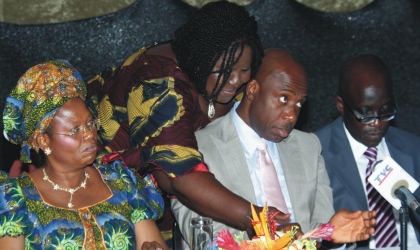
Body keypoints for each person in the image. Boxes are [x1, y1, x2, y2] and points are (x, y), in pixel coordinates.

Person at [86, 0, 268, 240]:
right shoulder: (160, 85)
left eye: (244, 70)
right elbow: (178, 177)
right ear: (200, 57)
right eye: (224, 71)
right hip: (111, 193)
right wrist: (253, 217)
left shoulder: (223, 72)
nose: (235, 81)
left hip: (183, 199)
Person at [172, 48, 376, 248]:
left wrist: (328, 236)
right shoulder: (196, 149)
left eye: (299, 104)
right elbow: (204, 240)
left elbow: (314, 231)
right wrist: (275, 242)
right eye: (284, 98)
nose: (292, 116)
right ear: (252, 90)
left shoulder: (308, 147)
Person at [0, 60, 167, 249]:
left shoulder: (121, 182)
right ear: (43, 141)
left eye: (90, 124)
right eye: (74, 130)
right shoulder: (16, 198)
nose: (89, 134)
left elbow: (153, 243)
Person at [315, 54, 420, 248]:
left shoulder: (414, 149)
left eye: (386, 111)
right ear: (340, 105)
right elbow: (305, 235)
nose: (377, 122)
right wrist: (330, 239)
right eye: (365, 113)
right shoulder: (315, 154)